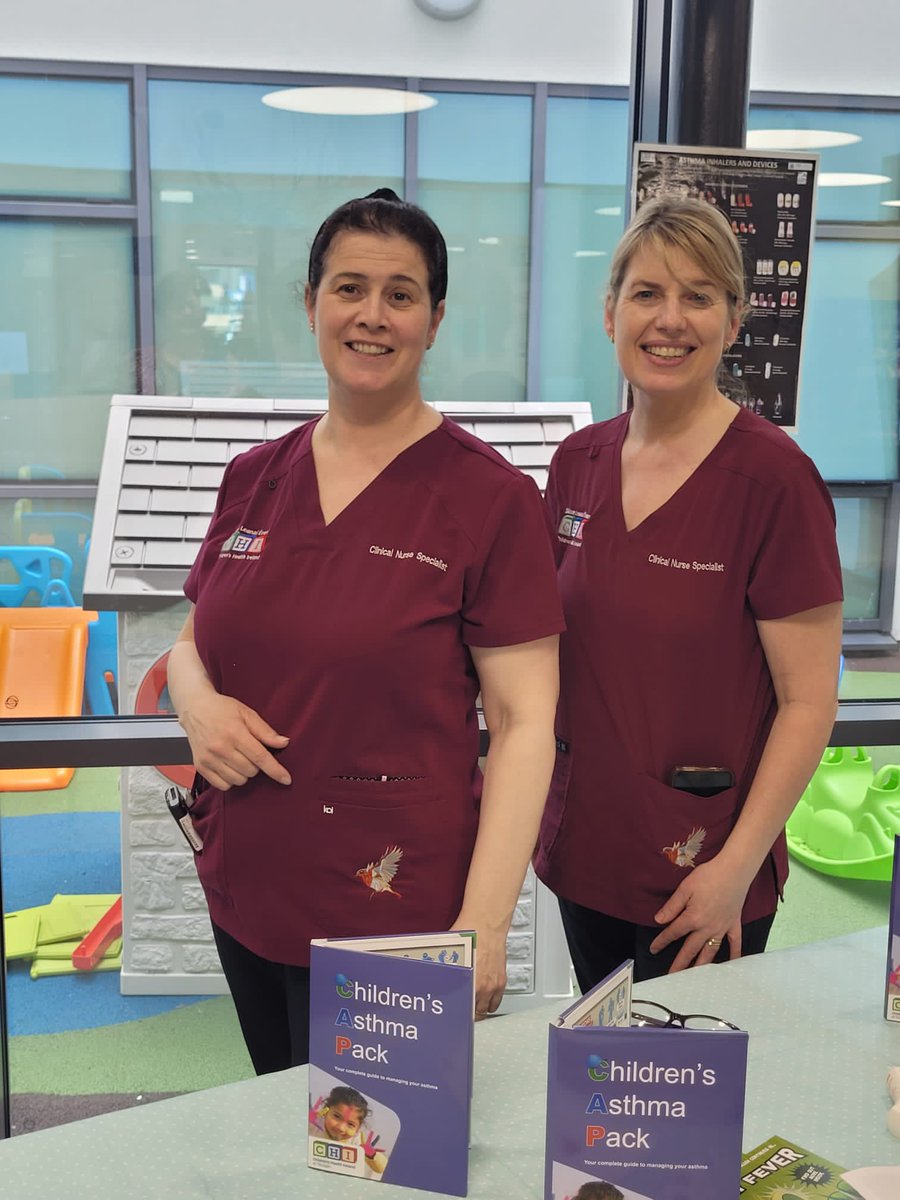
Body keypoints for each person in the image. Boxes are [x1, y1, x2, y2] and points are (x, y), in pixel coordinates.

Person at [168, 188, 563, 1072]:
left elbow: (527, 723)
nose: (371, 316)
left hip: (397, 917)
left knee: (384, 1149)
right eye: (349, 288)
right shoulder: (254, 478)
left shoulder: (489, 500)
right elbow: (196, 637)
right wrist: (196, 705)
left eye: (400, 294)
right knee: (283, 1123)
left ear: (435, 319)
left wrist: (485, 926)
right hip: (248, 884)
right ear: (311, 305)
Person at [534, 197, 842, 989]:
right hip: (586, 852)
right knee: (604, 1085)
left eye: (698, 296)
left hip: (705, 872)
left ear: (733, 322)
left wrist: (737, 869)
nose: (669, 320)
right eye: (646, 294)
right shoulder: (577, 464)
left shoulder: (775, 482)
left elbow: (808, 702)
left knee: (681, 1097)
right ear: (610, 314)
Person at [309, 1085, 388, 1176]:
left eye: (350, 1124)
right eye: (337, 1116)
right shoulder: (314, 1124)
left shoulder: (357, 1141)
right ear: (326, 1111)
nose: (340, 1128)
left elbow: (382, 1169)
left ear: (358, 1128)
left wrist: (372, 1154)